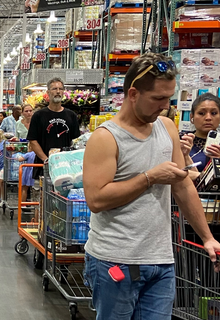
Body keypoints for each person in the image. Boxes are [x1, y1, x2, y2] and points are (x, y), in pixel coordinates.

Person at [83, 52, 220, 319]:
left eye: (168, 98)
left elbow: (183, 187)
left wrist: (207, 237)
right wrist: (150, 177)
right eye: (158, 98)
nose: (164, 106)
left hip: (161, 262)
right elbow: (97, 200)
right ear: (133, 94)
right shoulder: (105, 138)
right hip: (115, 260)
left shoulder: (167, 127)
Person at [27, 78, 80, 180]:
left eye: (60, 89)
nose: (58, 91)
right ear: (48, 92)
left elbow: (75, 141)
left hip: (66, 168)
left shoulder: (71, 115)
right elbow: (33, 140)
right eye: (54, 89)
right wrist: (46, 160)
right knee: (43, 194)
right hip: (44, 167)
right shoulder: (38, 115)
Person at [179, 93, 220, 173]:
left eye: (214, 113)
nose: (208, 118)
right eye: (201, 113)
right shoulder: (182, 139)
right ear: (192, 117)